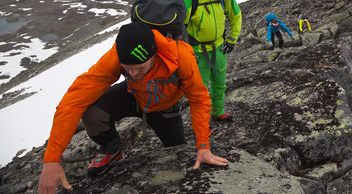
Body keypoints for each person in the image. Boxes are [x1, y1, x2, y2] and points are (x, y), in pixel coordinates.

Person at [38, 22, 228, 194]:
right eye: (127, 68)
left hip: (165, 107)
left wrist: (203, 145)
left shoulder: (180, 57)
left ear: (153, 55)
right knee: (93, 113)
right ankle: (111, 148)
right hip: (133, 96)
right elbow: (74, 100)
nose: (133, 73)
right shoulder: (117, 55)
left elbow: (199, 99)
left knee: (177, 151)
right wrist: (52, 158)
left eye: (139, 67)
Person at [181, 0, 242, 121]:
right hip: (198, 53)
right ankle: (201, 123)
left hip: (219, 48)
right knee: (198, 91)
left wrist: (232, 39)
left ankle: (217, 112)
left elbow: (236, 15)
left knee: (219, 85)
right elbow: (177, 27)